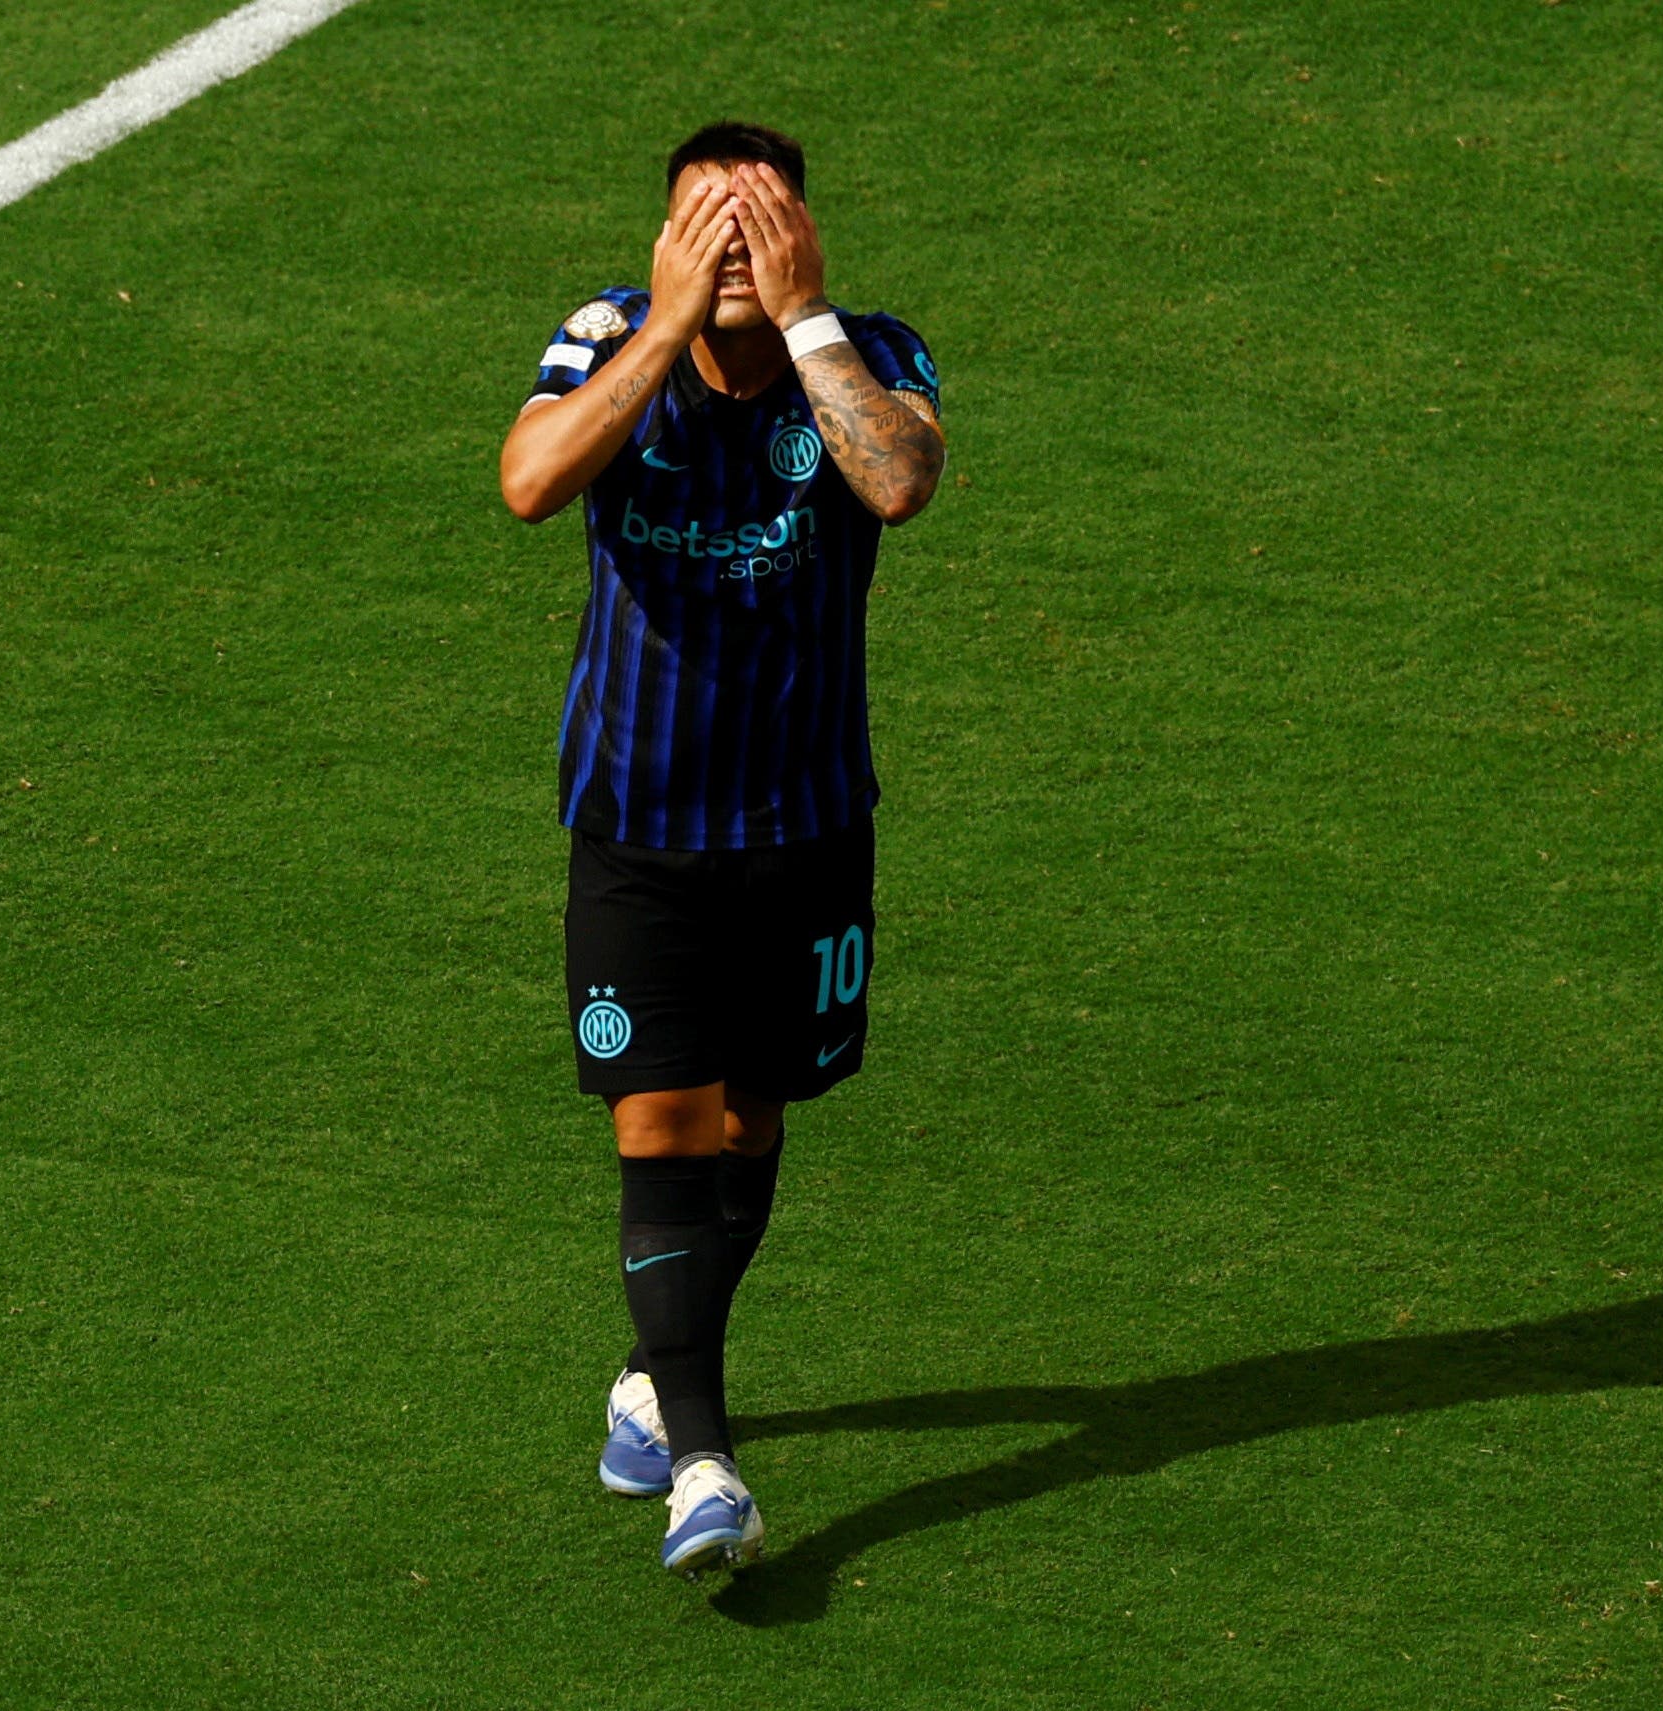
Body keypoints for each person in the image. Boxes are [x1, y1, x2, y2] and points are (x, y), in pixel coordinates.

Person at [498, 120, 945, 1576]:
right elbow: (528, 479)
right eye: (705, 223)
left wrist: (807, 322)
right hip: (637, 831)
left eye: (760, 223)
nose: (734, 248)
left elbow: (894, 481)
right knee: (657, 1122)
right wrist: (666, 324)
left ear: (810, 236)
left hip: (807, 831)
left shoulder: (871, 355)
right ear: (660, 242)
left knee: (750, 1122)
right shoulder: (602, 341)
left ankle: (656, 1374)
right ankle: (705, 1458)